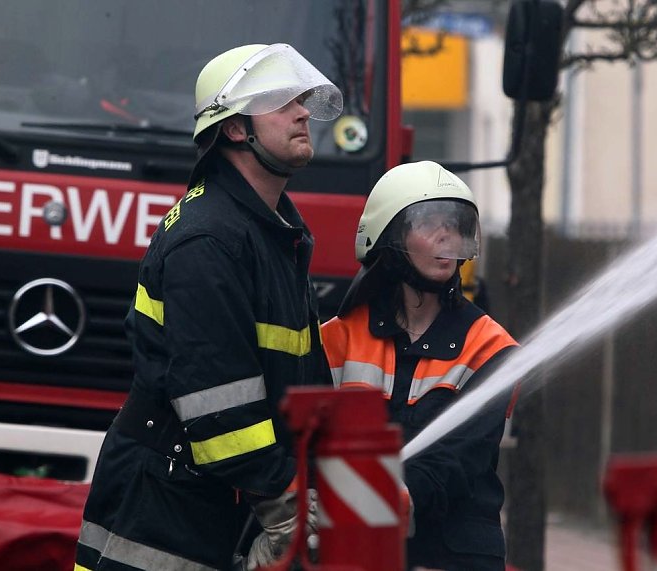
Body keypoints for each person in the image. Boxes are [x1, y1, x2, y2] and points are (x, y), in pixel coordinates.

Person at [74, 43, 341, 571]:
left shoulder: (266, 233)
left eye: (304, 99)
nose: (304, 111)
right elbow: (218, 401)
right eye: (283, 102)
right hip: (167, 512)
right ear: (236, 129)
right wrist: (285, 505)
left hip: (217, 495)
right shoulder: (211, 240)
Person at [321, 161, 519, 571]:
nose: (447, 235)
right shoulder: (335, 339)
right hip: (349, 550)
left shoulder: (491, 346)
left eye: (456, 224)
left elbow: (459, 459)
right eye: (430, 222)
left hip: (450, 555)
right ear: (388, 236)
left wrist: (388, 498)